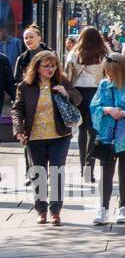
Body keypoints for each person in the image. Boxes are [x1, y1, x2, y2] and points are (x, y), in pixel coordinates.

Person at [11, 50, 81, 225]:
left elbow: (78, 99)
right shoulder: (25, 86)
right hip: (35, 137)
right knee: (39, 174)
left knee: (57, 172)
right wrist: (19, 129)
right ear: (37, 67)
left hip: (60, 135)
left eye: (53, 65)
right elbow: (17, 109)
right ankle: (41, 210)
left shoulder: (61, 81)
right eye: (46, 66)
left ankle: (55, 211)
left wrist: (67, 93)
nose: (50, 69)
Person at [89, 53, 125, 225]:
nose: (109, 74)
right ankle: (103, 208)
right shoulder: (104, 85)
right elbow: (94, 106)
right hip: (107, 135)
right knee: (106, 173)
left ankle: (123, 207)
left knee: (124, 173)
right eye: (107, 71)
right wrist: (108, 110)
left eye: (112, 71)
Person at [64, 27, 110, 185]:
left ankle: (83, 166)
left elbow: (67, 75)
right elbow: (108, 75)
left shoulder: (74, 54)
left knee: (82, 130)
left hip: (79, 94)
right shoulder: (104, 55)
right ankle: (89, 167)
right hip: (97, 92)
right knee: (94, 130)